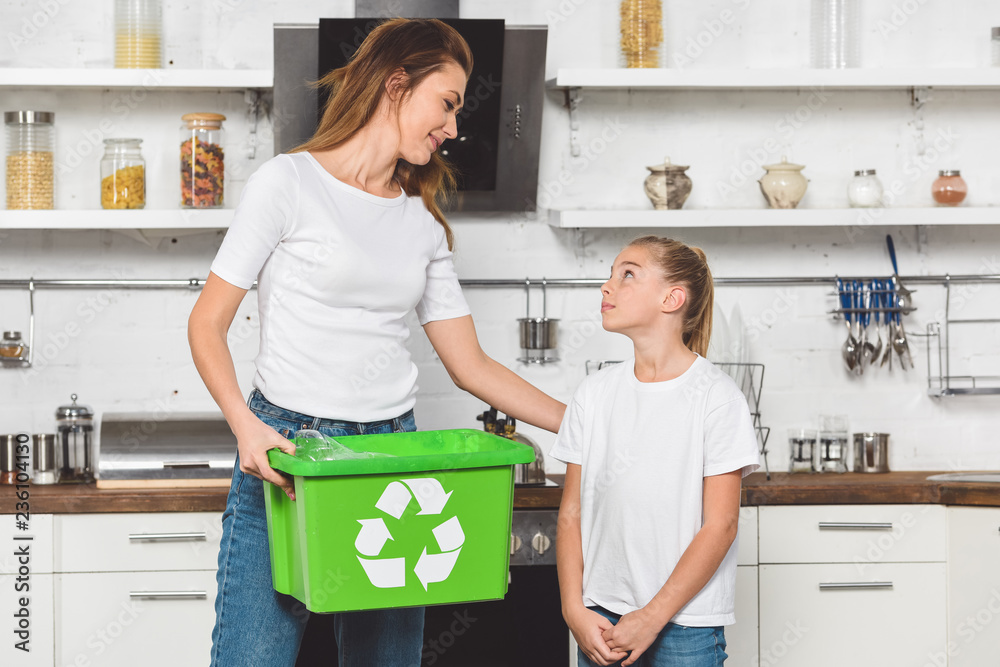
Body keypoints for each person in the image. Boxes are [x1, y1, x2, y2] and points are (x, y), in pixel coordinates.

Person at [187, 18, 565, 667]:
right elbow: (206, 323)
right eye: (446, 102)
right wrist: (247, 429)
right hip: (287, 454)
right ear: (396, 84)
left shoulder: (421, 222)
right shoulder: (288, 184)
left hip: (392, 454)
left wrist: (584, 421)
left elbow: (469, 364)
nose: (453, 126)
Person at [551, 236, 760, 667]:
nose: (607, 287)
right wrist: (574, 608)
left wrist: (651, 617)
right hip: (600, 617)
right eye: (610, 274)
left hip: (686, 621)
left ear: (672, 298)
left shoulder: (717, 397)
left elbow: (720, 525)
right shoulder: (593, 394)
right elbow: (570, 511)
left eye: (627, 274)